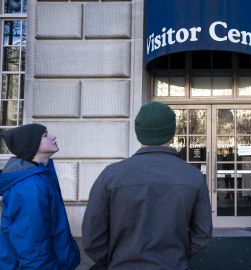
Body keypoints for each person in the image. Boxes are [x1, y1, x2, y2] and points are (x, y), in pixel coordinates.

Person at [82, 102, 212, 270]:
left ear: (138, 133)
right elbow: (202, 234)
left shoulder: (110, 175)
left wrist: (115, 259)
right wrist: (176, 256)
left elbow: (92, 237)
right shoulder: (193, 176)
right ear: (171, 133)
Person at [0, 124, 80, 269]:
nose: (53, 137)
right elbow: (31, 244)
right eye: (44, 135)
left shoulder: (41, 175)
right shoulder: (29, 186)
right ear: (31, 145)